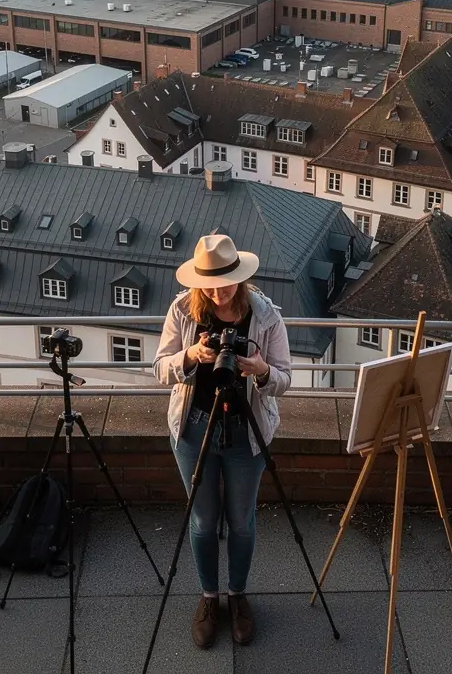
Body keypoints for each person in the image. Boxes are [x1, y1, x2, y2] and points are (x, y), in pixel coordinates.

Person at [154, 234, 292, 649]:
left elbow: (285, 379)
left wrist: (262, 369)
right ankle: (209, 597)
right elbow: (159, 369)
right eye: (209, 283)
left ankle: (238, 594)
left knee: (243, 521)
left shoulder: (265, 317)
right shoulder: (182, 311)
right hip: (194, 428)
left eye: (225, 282)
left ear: (240, 276)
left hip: (246, 431)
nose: (217, 292)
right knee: (202, 520)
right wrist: (192, 356)